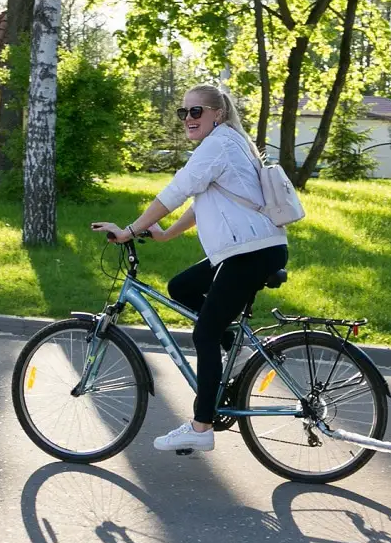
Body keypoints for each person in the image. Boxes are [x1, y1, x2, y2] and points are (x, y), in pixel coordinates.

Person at [91, 84, 288, 454]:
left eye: (195, 112)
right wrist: (165, 235)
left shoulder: (218, 145)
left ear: (218, 113)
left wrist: (130, 231)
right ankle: (238, 349)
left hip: (250, 253)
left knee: (204, 334)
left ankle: (201, 426)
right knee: (182, 286)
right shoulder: (226, 143)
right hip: (251, 250)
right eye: (183, 113)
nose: (188, 119)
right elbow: (202, 202)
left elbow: (175, 191)